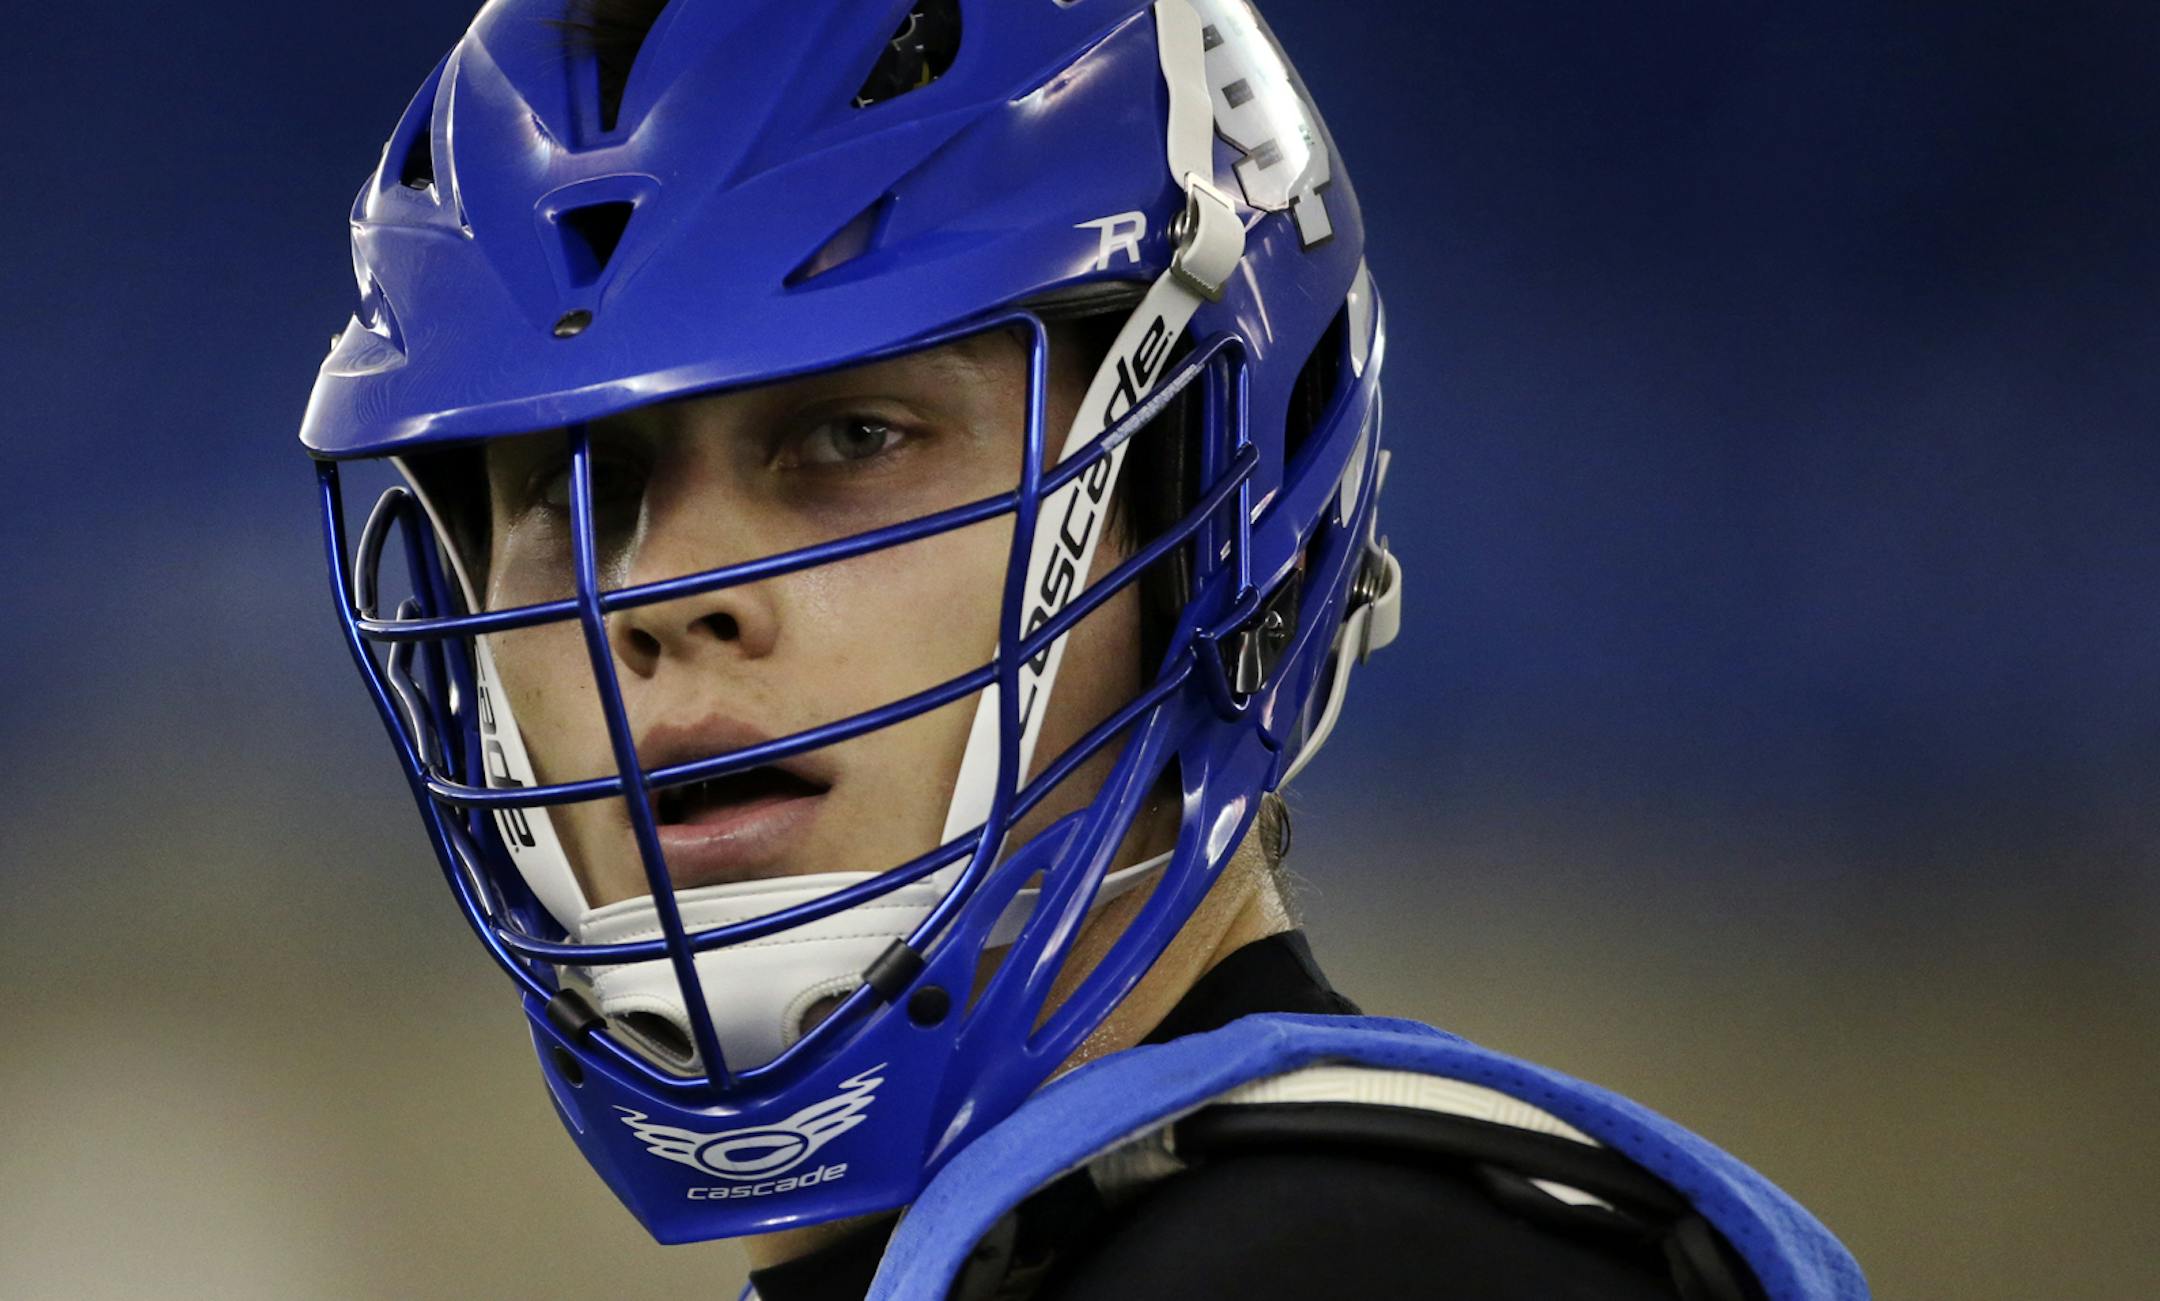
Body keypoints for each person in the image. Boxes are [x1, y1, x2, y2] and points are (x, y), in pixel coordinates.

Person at [301, 1, 1868, 1296]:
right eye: (580, 487)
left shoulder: (1362, 1268)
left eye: (852, 434)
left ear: (1209, 508)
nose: (659, 595)